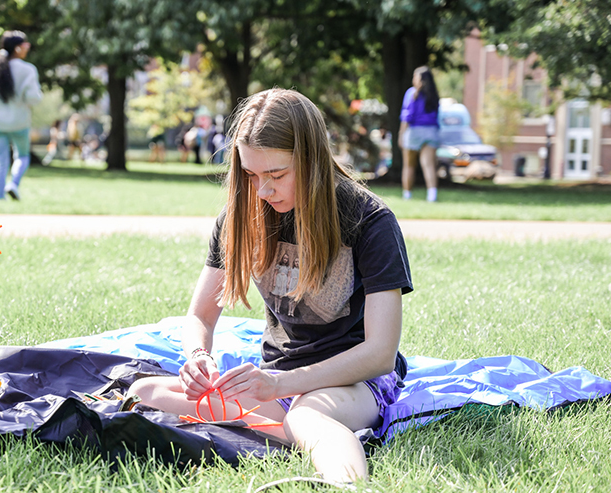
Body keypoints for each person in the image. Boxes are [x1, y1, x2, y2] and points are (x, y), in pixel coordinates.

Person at [128, 89, 413, 484]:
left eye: (277, 175)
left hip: (352, 381)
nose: (262, 190)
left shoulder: (370, 221)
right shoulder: (243, 215)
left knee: (307, 415)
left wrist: (281, 385)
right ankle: (290, 436)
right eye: (251, 175)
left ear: (312, 160)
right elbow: (200, 316)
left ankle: (344, 482)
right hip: (276, 379)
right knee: (144, 392)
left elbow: (380, 353)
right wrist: (197, 356)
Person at [0, 30, 43, 200]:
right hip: (20, 122)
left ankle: (0, 198)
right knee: (22, 156)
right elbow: (33, 98)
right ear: (17, 48)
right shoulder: (28, 70)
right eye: (25, 44)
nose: (28, 46)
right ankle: (13, 184)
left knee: (1, 161)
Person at [399, 65, 441, 202]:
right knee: (429, 165)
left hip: (414, 131)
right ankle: (432, 195)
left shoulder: (412, 93)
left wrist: (401, 134)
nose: (413, 79)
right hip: (432, 131)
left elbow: (407, 116)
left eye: (414, 77)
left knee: (409, 165)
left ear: (419, 79)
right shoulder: (434, 95)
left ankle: (407, 195)